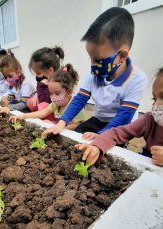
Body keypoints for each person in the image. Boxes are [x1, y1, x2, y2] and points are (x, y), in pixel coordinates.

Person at [42, 7, 148, 140]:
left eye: (98, 60)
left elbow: (124, 116)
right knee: (74, 137)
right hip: (98, 119)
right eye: (91, 59)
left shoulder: (137, 79)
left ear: (122, 56)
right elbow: (79, 101)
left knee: (104, 146)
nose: (93, 65)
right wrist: (61, 123)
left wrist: (101, 135)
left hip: (120, 124)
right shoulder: (94, 75)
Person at [75, 67, 163, 166]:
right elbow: (117, 132)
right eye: (154, 99)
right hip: (146, 165)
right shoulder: (150, 120)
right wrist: (98, 144)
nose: (155, 106)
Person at [9, 64, 87, 130]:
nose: (53, 97)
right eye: (51, 93)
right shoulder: (56, 104)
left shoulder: (75, 106)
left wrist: (55, 126)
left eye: (57, 93)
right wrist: (23, 116)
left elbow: (77, 126)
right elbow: (42, 113)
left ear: (69, 92)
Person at [28, 46, 64, 122]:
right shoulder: (48, 79)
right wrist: (37, 93)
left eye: (39, 73)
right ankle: (41, 118)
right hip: (49, 108)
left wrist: (40, 86)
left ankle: (53, 122)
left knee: (42, 105)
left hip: (57, 112)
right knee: (31, 102)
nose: (37, 76)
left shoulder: (56, 84)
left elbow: (44, 101)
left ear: (50, 70)